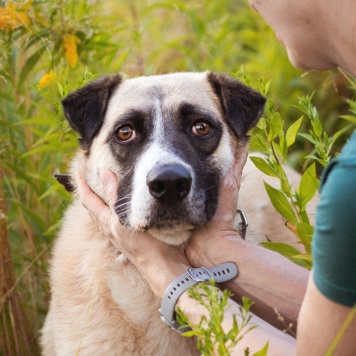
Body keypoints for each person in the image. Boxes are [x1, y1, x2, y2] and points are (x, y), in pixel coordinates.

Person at [75, 0, 356, 354]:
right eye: (126, 133)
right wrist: (221, 247)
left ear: (240, 143)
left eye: (201, 127)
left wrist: (172, 281)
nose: (252, 3)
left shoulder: (350, 184)